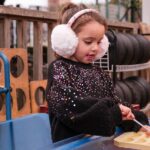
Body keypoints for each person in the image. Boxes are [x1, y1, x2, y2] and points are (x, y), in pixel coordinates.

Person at [46, 2, 150, 142]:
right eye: (88, 42)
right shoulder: (60, 69)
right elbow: (71, 105)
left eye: (99, 42)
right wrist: (114, 112)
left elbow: (113, 103)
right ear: (67, 40)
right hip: (72, 144)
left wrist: (136, 121)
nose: (95, 48)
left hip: (97, 143)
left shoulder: (99, 73)